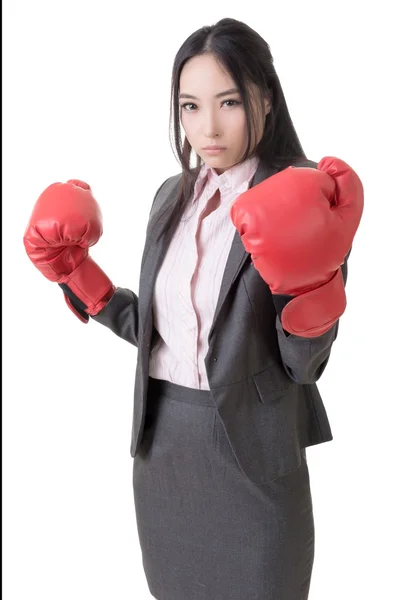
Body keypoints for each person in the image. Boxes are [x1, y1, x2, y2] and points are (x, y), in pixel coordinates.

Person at [23, 17, 364, 600]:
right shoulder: (170, 196)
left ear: (264, 98)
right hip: (166, 450)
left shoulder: (299, 196)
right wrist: (78, 273)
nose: (207, 127)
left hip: (251, 453)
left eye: (228, 102)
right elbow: (160, 330)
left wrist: (317, 290)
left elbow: (302, 367)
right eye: (190, 106)